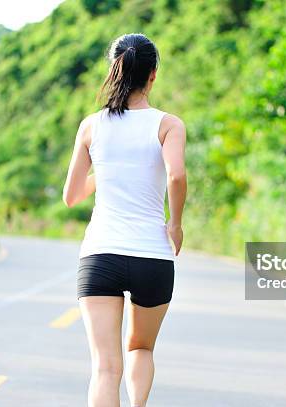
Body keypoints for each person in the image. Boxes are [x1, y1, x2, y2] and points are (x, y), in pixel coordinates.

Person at [62, 32, 187, 407]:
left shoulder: (91, 126)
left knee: (104, 368)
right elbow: (176, 176)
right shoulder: (168, 124)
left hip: (100, 255)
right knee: (141, 348)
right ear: (153, 75)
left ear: (114, 71)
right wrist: (175, 223)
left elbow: (71, 196)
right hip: (152, 255)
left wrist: (110, 170)